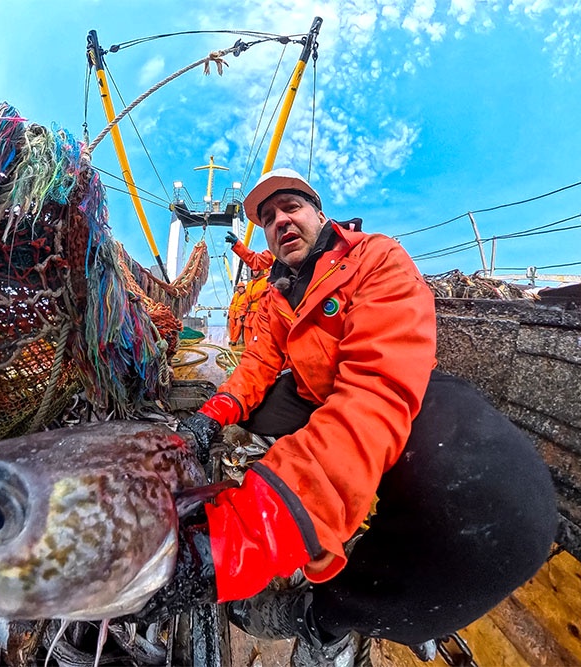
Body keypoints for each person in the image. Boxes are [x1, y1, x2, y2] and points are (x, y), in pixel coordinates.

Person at [139, 168, 558, 665]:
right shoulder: (276, 294)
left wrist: (247, 534)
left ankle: (322, 617)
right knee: (246, 420)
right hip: (313, 393)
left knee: (499, 504)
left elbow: (376, 385)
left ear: (320, 214)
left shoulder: (376, 256)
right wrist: (212, 417)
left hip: (398, 390)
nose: (280, 221)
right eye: (268, 218)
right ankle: (296, 481)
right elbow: (257, 365)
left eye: (291, 207)